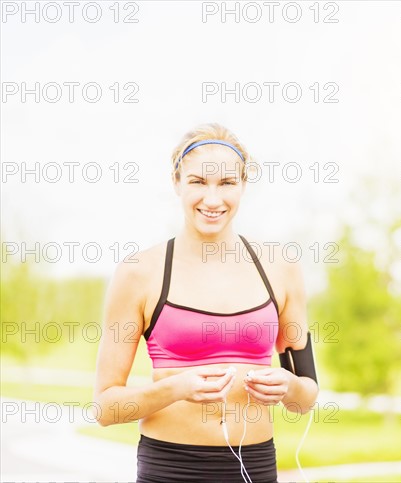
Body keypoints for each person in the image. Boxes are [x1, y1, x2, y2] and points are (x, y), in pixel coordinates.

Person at [93, 123, 319, 483]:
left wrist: (288, 387)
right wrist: (176, 388)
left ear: (244, 185)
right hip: (170, 468)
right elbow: (105, 408)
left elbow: (305, 396)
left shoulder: (281, 268)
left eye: (227, 183)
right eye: (198, 181)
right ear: (176, 182)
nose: (212, 200)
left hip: (257, 467)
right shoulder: (139, 272)